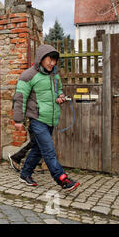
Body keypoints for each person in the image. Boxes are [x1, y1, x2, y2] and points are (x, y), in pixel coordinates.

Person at [13, 45, 80, 192]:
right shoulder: (28, 75)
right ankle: (62, 179)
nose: (52, 63)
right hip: (37, 119)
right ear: (41, 58)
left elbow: (59, 91)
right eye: (50, 59)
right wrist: (18, 120)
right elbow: (20, 98)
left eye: (54, 60)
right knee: (48, 150)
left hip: (51, 119)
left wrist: (60, 96)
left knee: (37, 149)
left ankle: (24, 175)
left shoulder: (54, 76)